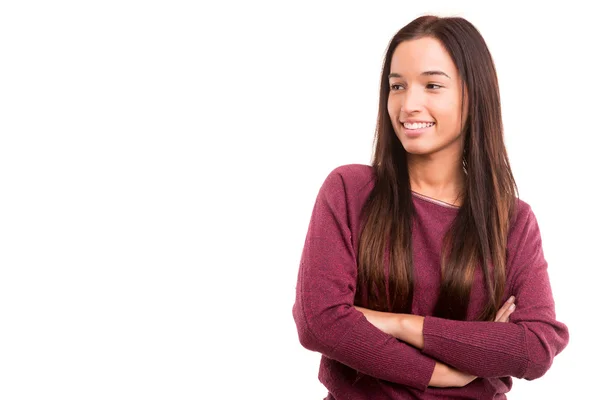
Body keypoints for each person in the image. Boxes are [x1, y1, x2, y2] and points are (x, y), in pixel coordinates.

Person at [291, 15, 569, 399]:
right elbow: (318, 322)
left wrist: (398, 325)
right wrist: (441, 371)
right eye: (397, 86)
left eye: (432, 85)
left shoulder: (512, 221)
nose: (408, 104)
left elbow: (534, 348)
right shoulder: (349, 190)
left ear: (473, 96)